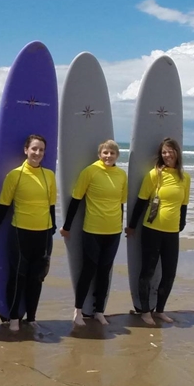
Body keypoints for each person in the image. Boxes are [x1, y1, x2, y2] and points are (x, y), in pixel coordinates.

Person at [0, 134, 56, 331]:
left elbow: (51, 205)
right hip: (20, 234)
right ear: (26, 150)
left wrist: (52, 229)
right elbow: (3, 206)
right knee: (18, 277)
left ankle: (32, 317)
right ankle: (15, 317)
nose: (37, 153)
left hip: (43, 236)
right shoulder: (15, 175)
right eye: (34, 148)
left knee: (37, 278)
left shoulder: (49, 175)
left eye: (41, 150)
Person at [60, 140, 128, 327]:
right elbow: (76, 199)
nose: (108, 156)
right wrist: (66, 227)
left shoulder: (122, 175)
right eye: (105, 153)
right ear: (100, 154)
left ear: (117, 156)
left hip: (113, 231)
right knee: (88, 271)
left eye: (112, 153)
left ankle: (99, 311)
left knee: (104, 272)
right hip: (92, 230)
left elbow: (121, 204)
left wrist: (123, 226)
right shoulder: (90, 171)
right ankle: (78, 311)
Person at [126, 137, 190, 326]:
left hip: (172, 233)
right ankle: (145, 311)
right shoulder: (154, 175)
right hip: (152, 230)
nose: (167, 155)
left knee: (169, 273)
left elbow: (184, 205)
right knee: (148, 272)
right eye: (164, 152)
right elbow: (141, 201)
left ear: (177, 153)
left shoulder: (185, 178)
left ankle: (160, 310)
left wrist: (182, 224)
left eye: (170, 151)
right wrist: (131, 226)